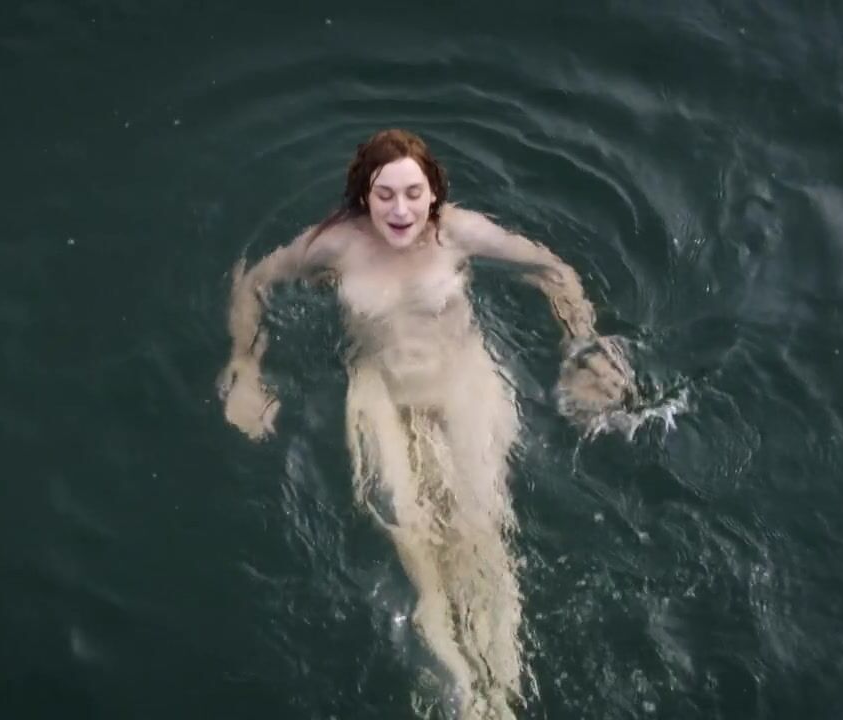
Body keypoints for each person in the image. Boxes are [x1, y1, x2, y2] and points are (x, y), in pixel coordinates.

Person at [217, 129, 635, 719]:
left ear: (434, 192)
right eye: (384, 194)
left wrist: (582, 346)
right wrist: (245, 368)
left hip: (464, 383)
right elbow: (253, 282)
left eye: (413, 193)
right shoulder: (333, 245)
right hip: (379, 392)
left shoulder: (458, 232)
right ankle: (462, 691)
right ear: (363, 195)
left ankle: (504, 688)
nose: (400, 209)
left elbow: (552, 269)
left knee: (481, 528)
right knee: (412, 539)